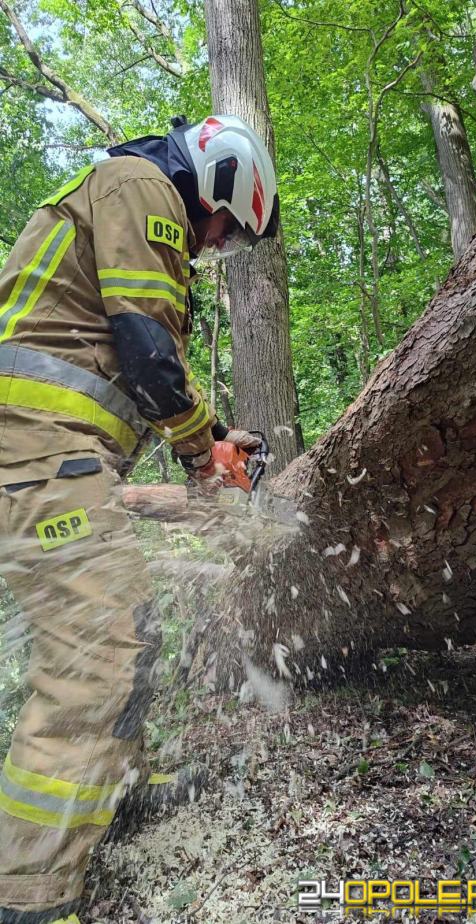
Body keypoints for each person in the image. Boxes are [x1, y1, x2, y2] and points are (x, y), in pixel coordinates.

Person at [0, 114, 279, 924]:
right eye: (224, 230)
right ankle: (27, 896)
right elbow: (147, 354)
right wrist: (204, 457)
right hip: (38, 450)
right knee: (93, 659)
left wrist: (215, 437)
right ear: (219, 184)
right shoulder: (145, 189)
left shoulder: (124, 192)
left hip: (50, 453)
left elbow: (147, 363)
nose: (213, 246)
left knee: (128, 626)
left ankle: (111, 789)